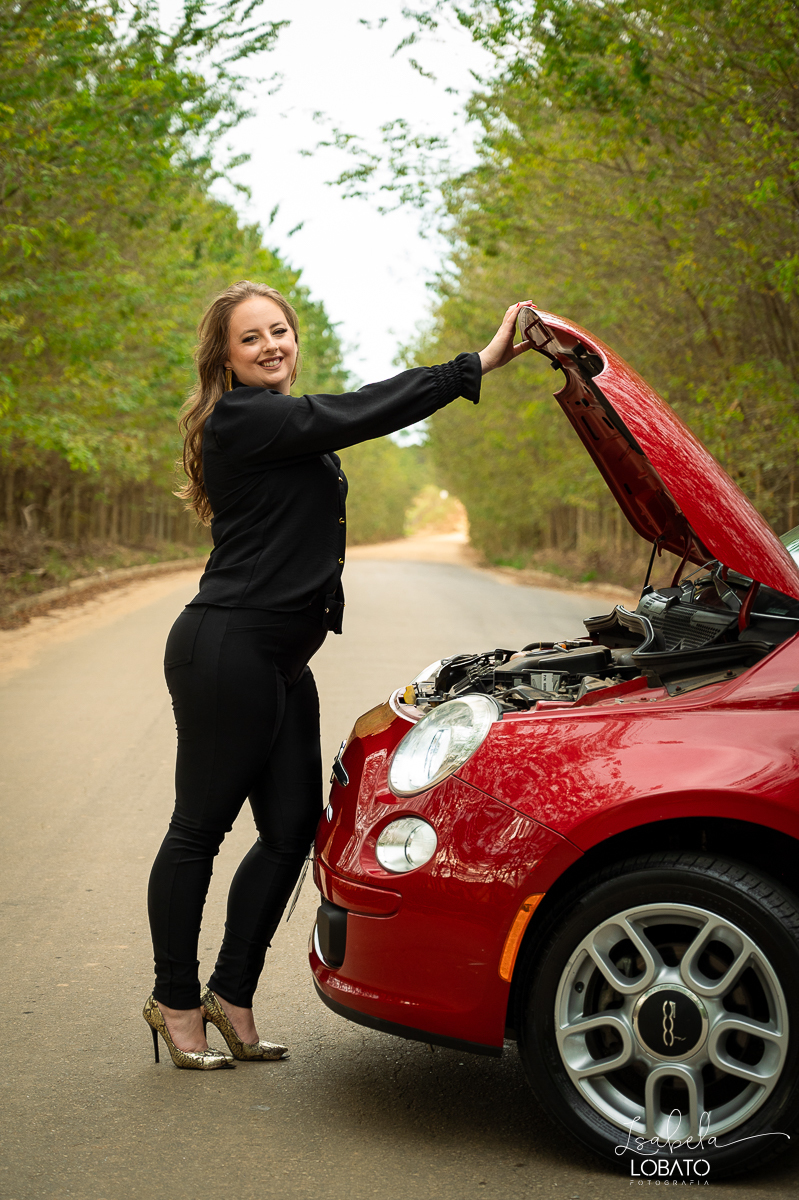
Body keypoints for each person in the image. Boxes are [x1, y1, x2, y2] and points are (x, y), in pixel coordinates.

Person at [143, 279, 533, 1068]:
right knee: (199, 831)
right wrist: (473, 366)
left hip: (281, 658)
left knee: (291, 831)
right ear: (225, 357)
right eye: (250, 337)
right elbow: (358, 411)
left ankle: (231, 995)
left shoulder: (279, 420)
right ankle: (174, 1001)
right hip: (227, 649)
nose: (270, 346)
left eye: (278, 331)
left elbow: (332, 426)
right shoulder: (244, 418)